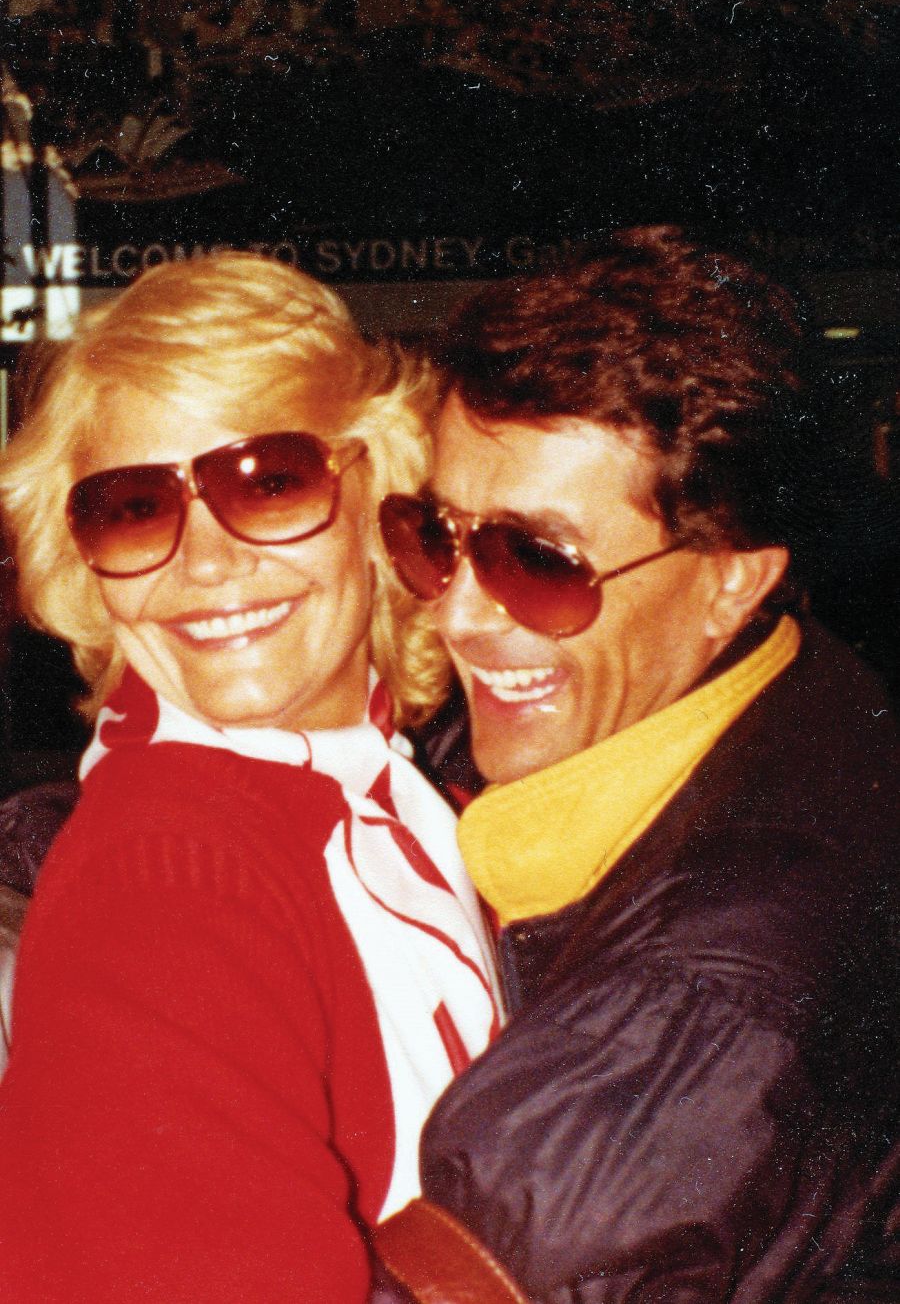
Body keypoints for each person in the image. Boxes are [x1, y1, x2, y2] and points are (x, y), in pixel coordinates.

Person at [373, 226, 900, 1302]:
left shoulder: (696, 1000)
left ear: (731, 581)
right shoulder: (781, 687)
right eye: (439, 534)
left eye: (536, 560)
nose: (459, 616)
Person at [0, 252, 500, 1302]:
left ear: (379, 495)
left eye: (271, 483)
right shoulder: (169, 874)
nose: (207, 562)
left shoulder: (400, 801)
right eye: (135, 507)